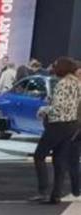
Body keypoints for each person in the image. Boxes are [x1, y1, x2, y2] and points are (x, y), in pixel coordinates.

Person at [31, 58, 81, 204]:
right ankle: (56, 195)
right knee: (59, 159)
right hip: (72, 124)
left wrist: (44, 110)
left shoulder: (63, 83)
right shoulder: (77, 83)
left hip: (58, 124)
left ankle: (43, 191)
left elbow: (59, 107)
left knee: (39, 156)